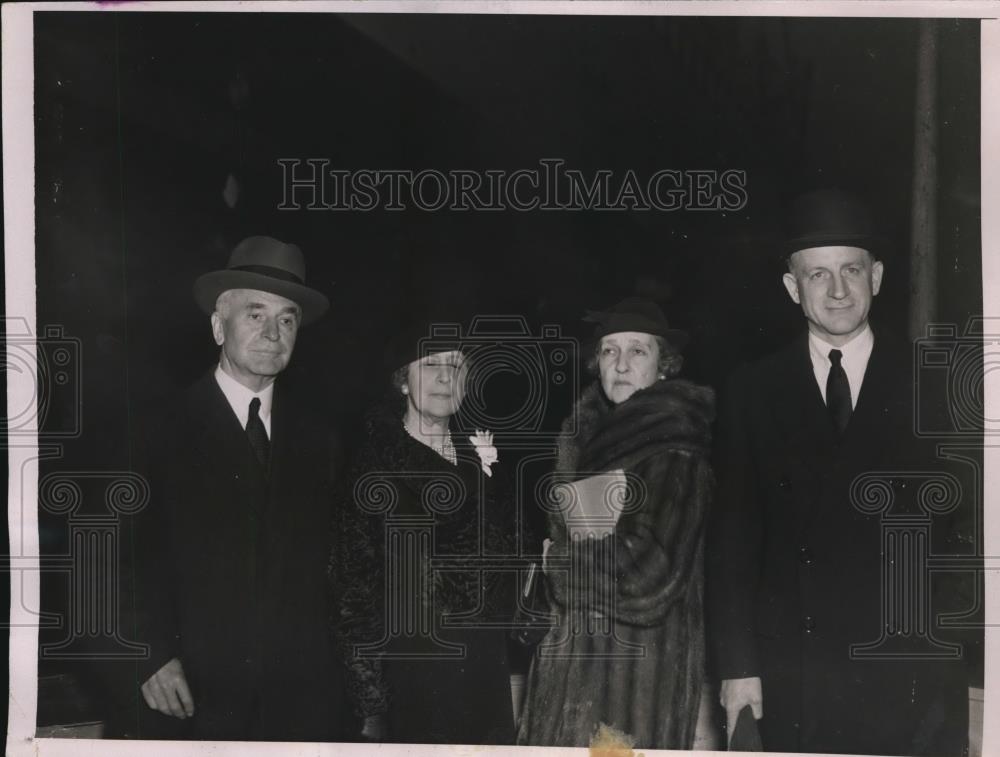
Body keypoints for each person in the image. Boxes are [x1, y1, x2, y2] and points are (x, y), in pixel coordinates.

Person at [706, 189, 969, 755]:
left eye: (851, 270)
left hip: (907, 672)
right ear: (792, 287)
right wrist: (738, 667)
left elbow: (967, 535)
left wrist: (939, 646)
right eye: (818, 275)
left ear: (876, 276)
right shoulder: (752, 389)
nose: (838, 291)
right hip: (791, 672)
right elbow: (732, 541)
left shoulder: (936, 384)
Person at [112, 236, 344, 740]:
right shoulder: (152, 430)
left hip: (297, 708)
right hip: (189, 701)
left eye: (287, 320)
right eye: (255, 314)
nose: (272, 333)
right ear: (219, 326)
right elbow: (106, 556)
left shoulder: (321, 438)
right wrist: (147, 656)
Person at [517, 297, 715, 749]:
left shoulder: (673, 450)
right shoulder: (585, 445)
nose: (621, 364)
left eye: (637, 351)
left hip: (632, 687)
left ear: (664, 366)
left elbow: (651, 573)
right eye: (610, 350)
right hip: (576, 676)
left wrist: (558, 564)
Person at [331, 322, 517, 744]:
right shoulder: (372, 470)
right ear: (403, 380)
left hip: (485, 671)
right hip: (412, 674)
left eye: (456, 366)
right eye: (431, 364)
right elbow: (352, 597)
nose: (446, 377)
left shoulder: (482, 461)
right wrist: (371, 703)